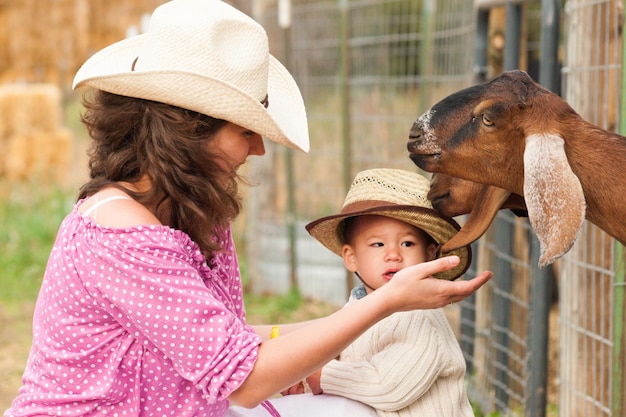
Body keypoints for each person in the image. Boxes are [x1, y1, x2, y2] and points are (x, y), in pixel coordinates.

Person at [4, 1, 492, 416]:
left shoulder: (192, 213)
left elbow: (230, 340)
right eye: (245, 129)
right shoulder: (124, 237)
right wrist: (386, 302)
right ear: (187, 131)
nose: (258, 148)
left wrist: (376, 314)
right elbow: (244, 379)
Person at [292, 168, 475, 417]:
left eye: (407, 244)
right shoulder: (354, 311)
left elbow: (390, 386)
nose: (393, 255)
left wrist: (322, 374)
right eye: (378, 244)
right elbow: (344, 362)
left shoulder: (420, 316)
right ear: (351, 257)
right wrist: (304, 378)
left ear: (429, 254)